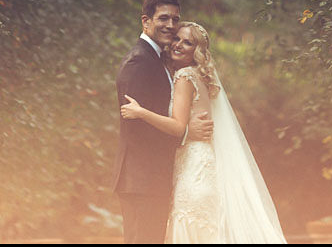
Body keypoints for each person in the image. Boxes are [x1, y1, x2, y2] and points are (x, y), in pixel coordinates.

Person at [121, 21, 287, 244]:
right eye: (177, 39)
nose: (178, 44)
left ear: (196, 51)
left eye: (187, 42)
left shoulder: (184, 77)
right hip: (202, 165)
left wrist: (141, 112)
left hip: (194, 172)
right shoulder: (200, 77)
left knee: (190, 229)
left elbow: (179, 127)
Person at [113, 0, 214, 244]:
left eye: (175, 19)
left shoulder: (163, 61)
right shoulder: (139, 62)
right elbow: (136, 128)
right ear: (146, 21)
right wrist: (186, 131)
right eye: (163, 18)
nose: (170, 25)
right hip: (142, 179)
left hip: (155, 178)